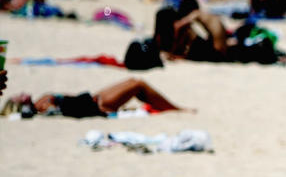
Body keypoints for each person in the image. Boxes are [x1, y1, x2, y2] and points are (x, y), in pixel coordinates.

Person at [25, 78, 189, 118]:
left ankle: (173, 107)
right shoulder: (42, 107)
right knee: (138, 84)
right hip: (99, 106)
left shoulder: (41, 100)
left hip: (94, 97)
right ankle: (176, 109)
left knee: (134, 81)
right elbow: (58, 111)